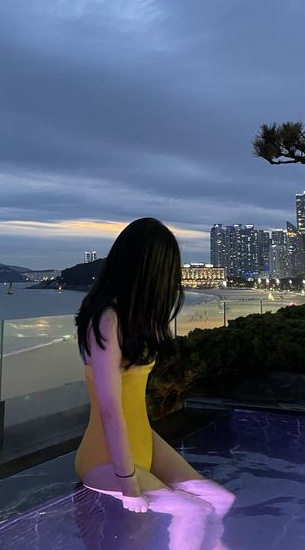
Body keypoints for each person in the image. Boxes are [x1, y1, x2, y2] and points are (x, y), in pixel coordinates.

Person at [74, 218, 234, 548]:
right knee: (193, 511)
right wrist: (127, 481)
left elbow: (132, 407)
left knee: (218, 500)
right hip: (104, 458)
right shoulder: (107, 320)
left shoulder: (134, 320)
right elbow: (109, 407)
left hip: (141, 441)